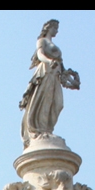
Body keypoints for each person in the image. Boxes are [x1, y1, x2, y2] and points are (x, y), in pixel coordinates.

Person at [19, 19, 78, 147]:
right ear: (48, 28)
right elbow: (40, 55)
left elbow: (62, 69)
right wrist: (49, 61)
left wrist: (72, 81)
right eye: (55, 28)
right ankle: (41, 130)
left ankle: (47, 129)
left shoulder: (54, 48)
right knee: (44, 99)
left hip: (55, 75)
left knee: (57, 103)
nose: (56, 30)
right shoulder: (42, 41)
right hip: (46, 72)